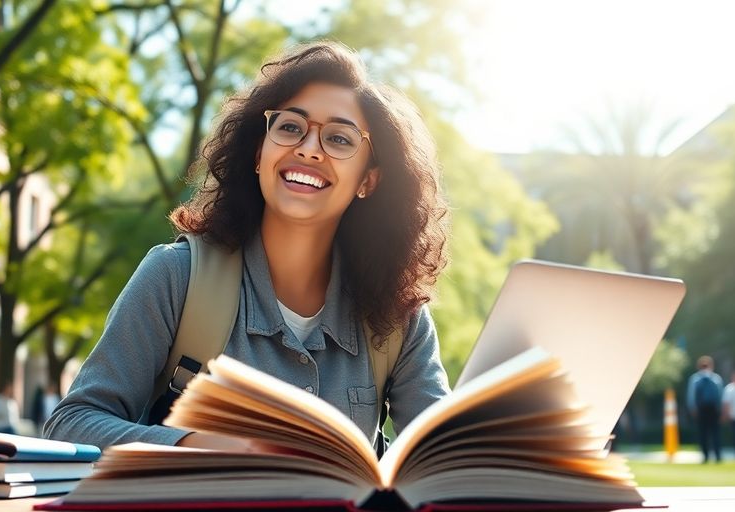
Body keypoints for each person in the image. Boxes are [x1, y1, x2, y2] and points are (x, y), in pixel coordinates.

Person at [44, 41, 451, 451]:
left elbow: (447, 459)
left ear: (369, 180)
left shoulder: (399, 317)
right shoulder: (176, 278)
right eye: (290, 127)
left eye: (340, 139)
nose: (309, 148)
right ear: (259, 152)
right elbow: (71, 424)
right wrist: (198, 445)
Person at [686, 355, 724, 463]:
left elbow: (691, 396)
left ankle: (705, 456)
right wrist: (721, 410)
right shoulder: (716, 378)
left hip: (701, 409)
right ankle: (717, 455)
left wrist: (693, 408)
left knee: (703, 433)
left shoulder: (695, 379)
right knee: (715, 433)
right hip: (714, 410)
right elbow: (721, 395)